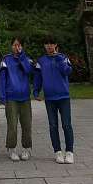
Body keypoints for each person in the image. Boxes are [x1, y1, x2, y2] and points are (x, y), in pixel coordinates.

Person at [33, 36, 74, 164]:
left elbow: (68, 71)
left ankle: (69, 152)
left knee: (66, 124)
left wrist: (60, 60)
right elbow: (37, 77)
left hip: (63, 97)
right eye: (47, 43)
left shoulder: (63, 57)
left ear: (56, 45)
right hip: (49, 98)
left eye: (51, 43)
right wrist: (36, 91)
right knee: (53, 125)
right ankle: (58, 152)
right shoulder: (41, 61)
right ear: (44, 46)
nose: (49, 46)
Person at [0, 37, 34, 161]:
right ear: (11, 46)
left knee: (27, 125)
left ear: (22, 47)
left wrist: (21, 57)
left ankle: (26, 149)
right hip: (11, 97)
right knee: (12, 125)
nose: (16, 47)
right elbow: (2, 79)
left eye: (19, 45)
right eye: (14, 45)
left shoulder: (27, 59)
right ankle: (11, 149)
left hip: (25, 97)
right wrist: (2, 96)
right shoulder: (6, 60)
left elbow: (29, 71)